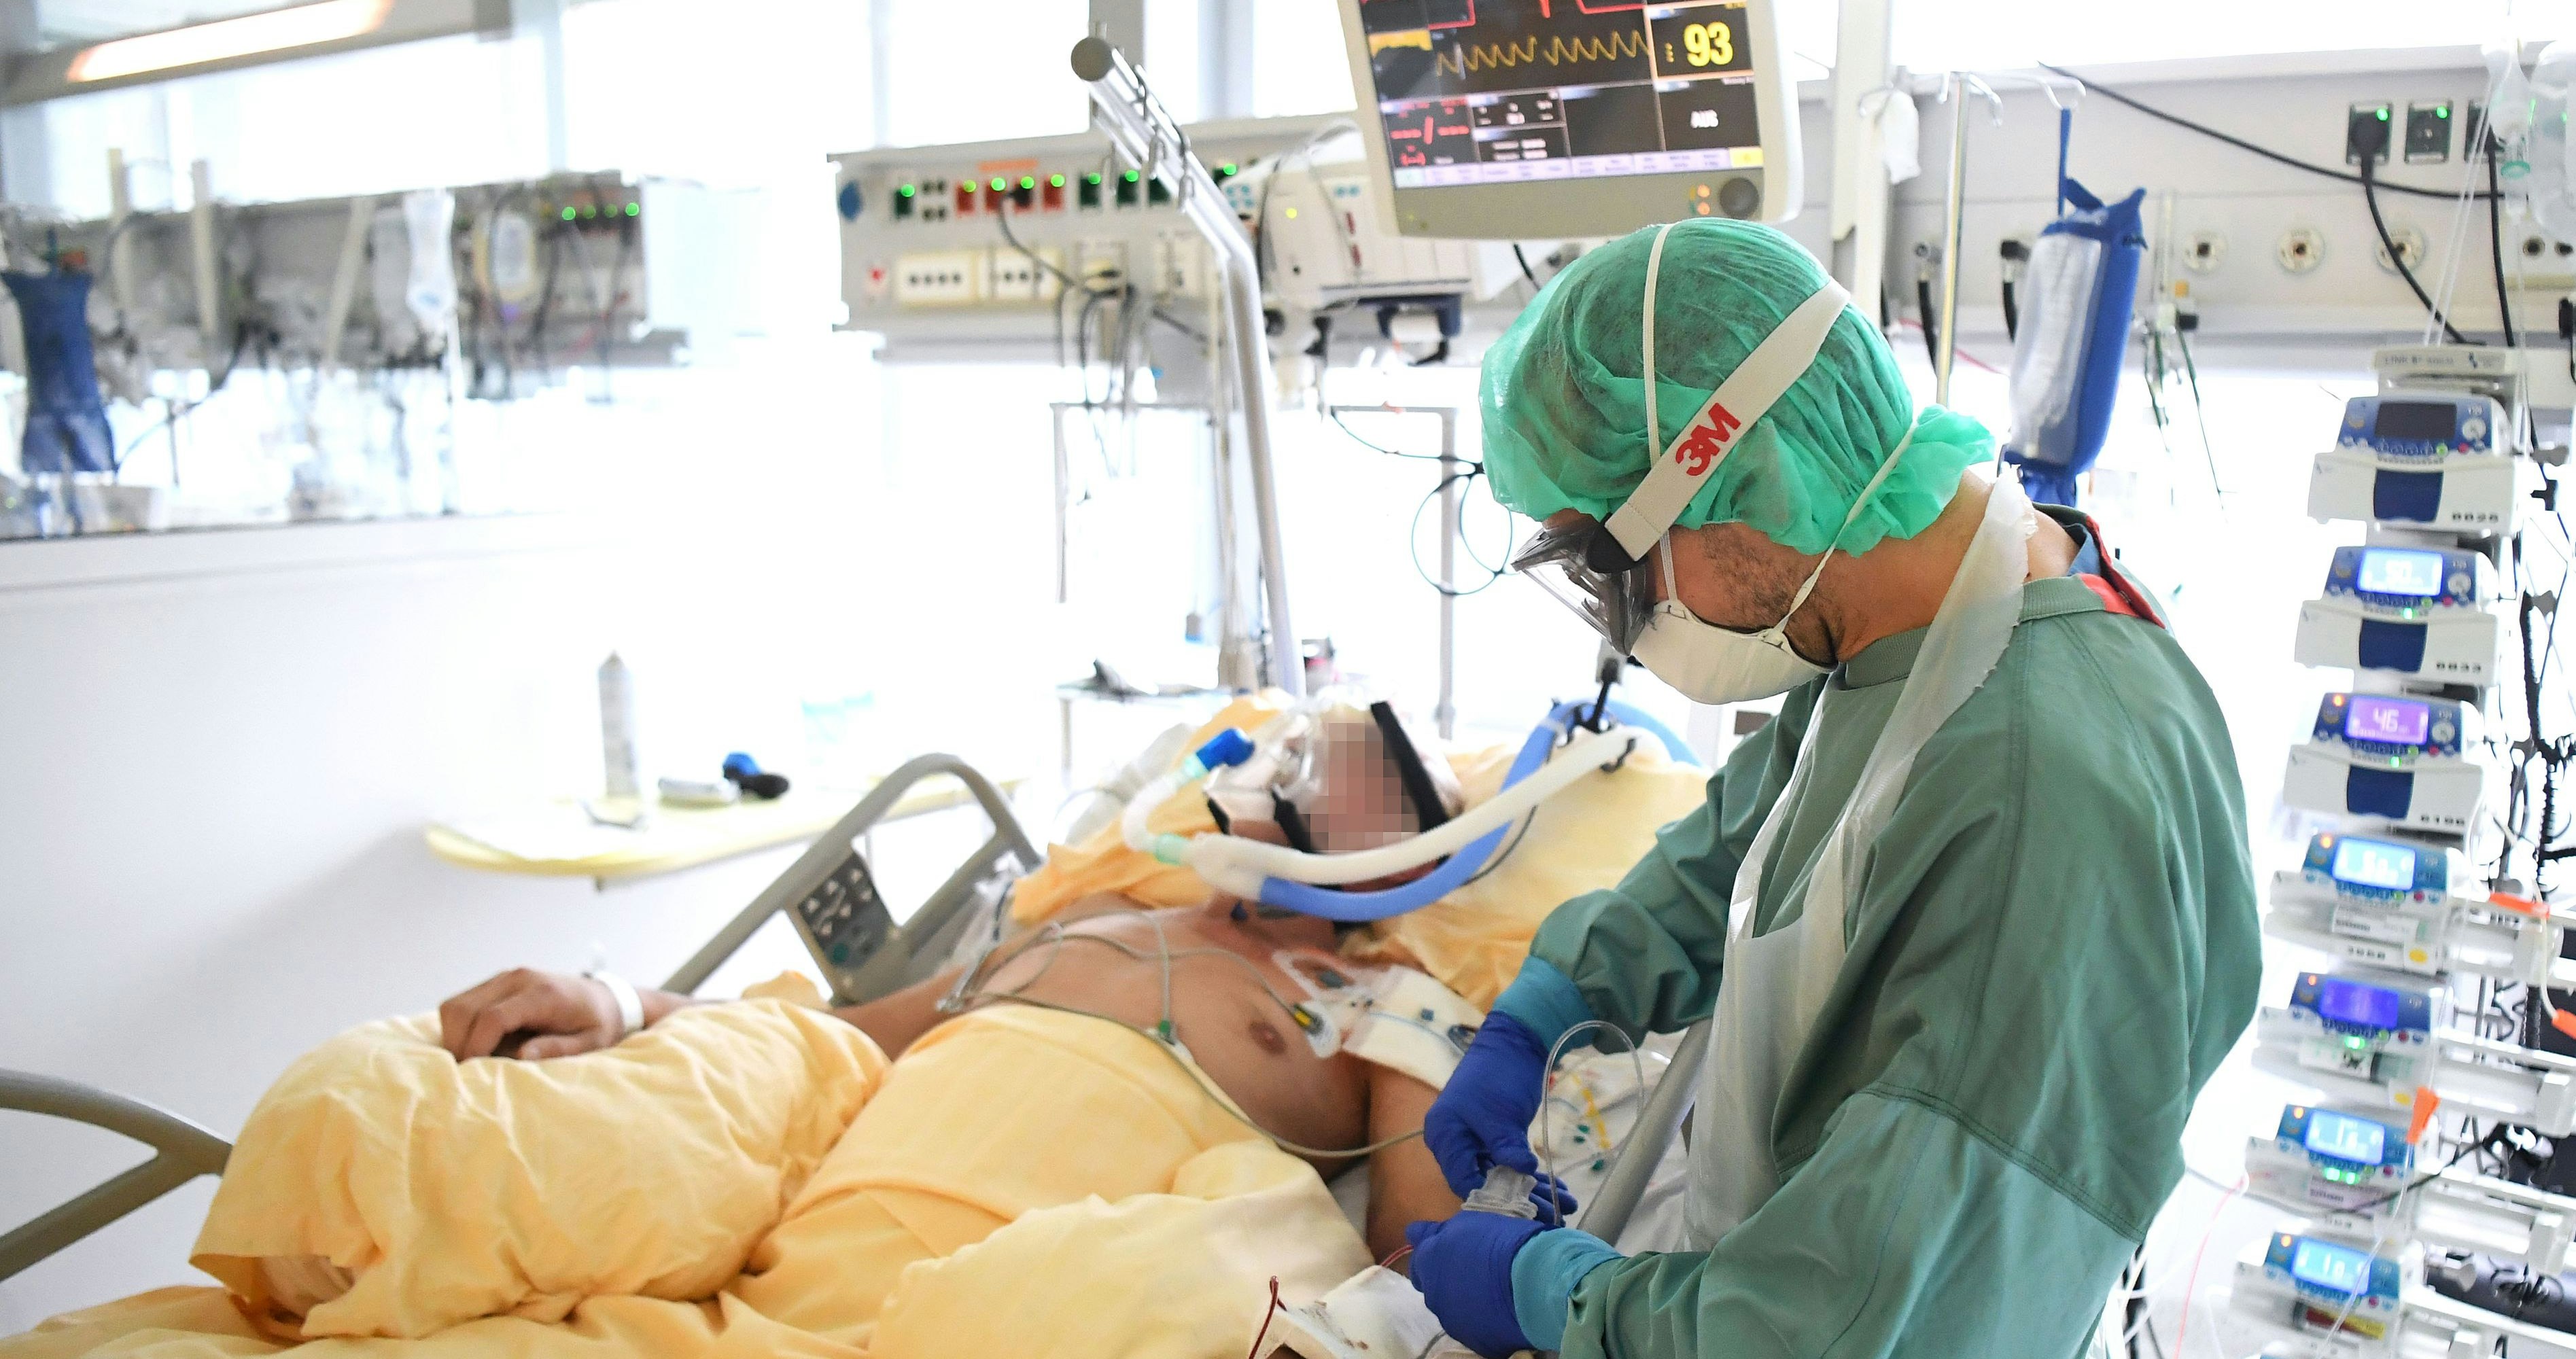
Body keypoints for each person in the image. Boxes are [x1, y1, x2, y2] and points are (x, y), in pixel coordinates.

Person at [1402, 219, 2260, 1358]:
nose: (1630, 622)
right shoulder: (1913, 624)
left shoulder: (2038, 795)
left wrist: (1563, 1300)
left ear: (1737, 477)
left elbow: (1858, 1322)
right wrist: (1553, 1001)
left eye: (1616, 563)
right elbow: (1762, 840)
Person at [440, 894, 1468, 1263]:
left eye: (1378, 765)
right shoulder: (1098, 906)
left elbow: (1412, 1252)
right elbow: (846, 1035)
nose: (1313, 778)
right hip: (832, 1217)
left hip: (1035, 1268)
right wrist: (623, 1004)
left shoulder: (1394, 989)